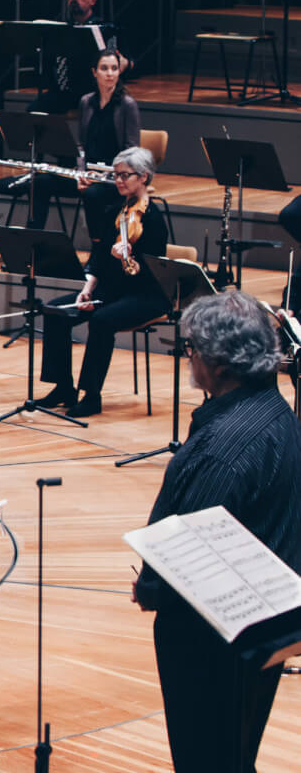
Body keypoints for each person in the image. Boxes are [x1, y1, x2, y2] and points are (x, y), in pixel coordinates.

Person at [132, 289, 301, 773]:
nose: (188, 358)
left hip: (213, 639)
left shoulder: (222, 450)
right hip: (263, 624)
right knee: (234, 752)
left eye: (191, 349)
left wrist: (149, 588)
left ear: (219, 364)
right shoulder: (275, 408)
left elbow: (185, 551)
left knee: (206, 758)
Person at [37, 146, 169, 418]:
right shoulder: (116, 211)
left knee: (102, 320)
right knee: (55, 311)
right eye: (116, 175)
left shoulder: (154, 220)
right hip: (112, 290)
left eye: (124, 175)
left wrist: (131, 258)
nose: (118, 180)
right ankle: (63, 387)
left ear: (143, 177)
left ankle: (91, 395)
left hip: (146, 295)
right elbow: (98, 257)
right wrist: (87, 290)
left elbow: (153, 272)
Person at [25, 47, 141, 234]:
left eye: (114, 68)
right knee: (40, 182)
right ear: (94, 72)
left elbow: (132, 152)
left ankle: (97, 252)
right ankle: (31, 246)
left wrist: (104, 174)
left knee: (92, 194)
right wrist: (81, 173)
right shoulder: (86, 102)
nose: (110, 74)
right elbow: (81, 145)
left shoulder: (127, 105)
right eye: (104, 68)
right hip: (87, 176)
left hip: (113, 179)